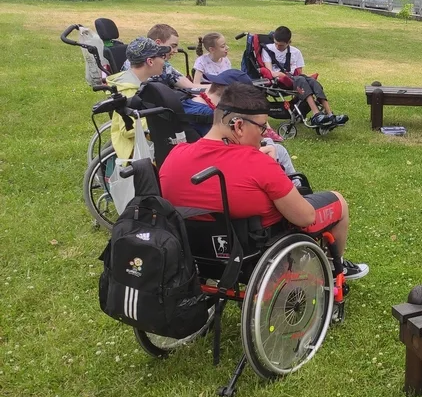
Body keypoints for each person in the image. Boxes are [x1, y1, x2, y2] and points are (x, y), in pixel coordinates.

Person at [158, 83, 368, 280]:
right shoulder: (257, 162)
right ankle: (334, 267)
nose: (264, 134)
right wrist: (272, 167)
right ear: (239, 126)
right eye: (261, 128)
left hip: (198, 256)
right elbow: (306, 217)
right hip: (254, 256)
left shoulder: (174, 155)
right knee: (339, 201)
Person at [263, 26, 347, 128]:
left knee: (313, 82)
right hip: (279, 79)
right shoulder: (268, 50)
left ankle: (330, 114)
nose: (277, 47)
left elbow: (299, 72)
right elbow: (270, 71)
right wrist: (281, 74)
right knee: (301, 79)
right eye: (276, 43)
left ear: (289, 42)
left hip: (294, 78)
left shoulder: (296, 52)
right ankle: (316, 114)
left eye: (281, 45)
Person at [106, 37, 170, 160]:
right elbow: (127, 129)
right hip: (136, 152)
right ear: (150, 61)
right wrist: (158, 119)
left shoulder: (139, 82)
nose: (164, 61)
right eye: (162, 57)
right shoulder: (128, 90)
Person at [122, 24, 201, 90]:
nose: (176, 51)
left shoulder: (165, 66)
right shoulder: (136, 64)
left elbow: (191, 86)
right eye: (173, 46)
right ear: (158, 43)